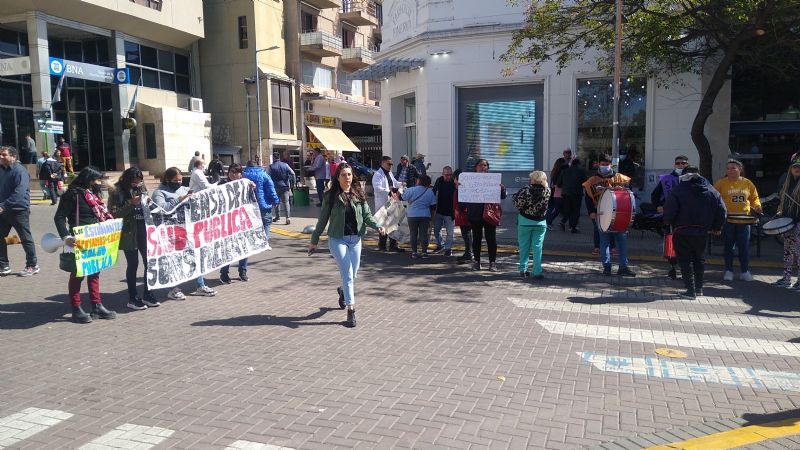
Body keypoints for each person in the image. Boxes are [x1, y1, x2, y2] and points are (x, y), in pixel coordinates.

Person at [309, 163, 386, 328]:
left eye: (349, 174)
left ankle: (343, 290)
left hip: (355, 239)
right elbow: (322, 220)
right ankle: (351, 311)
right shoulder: (331, 196)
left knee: (353, 274)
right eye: (343, 175)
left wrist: (377, 226)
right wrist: (314, 240)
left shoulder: (358, 193)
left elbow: (367, 215)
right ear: (338, 177)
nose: (347, 177)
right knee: (348, 273)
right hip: (338, 239)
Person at [53, 167, 116, 323]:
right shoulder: (72, 194)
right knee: (78, 274)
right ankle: (76, 309)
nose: (99, 183)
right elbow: (59, 217)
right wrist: (66, 237)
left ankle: (96, 306)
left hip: (95, 238)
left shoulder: (92, 193)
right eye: (96, 180)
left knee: (94, 272)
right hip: (78, 240)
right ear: (88, 179)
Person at [151, 167, 217, 299]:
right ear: (167, 179)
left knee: (195, 256)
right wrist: (179, 200)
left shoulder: (184, 189)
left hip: (187, 231)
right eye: (176, 180)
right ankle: (173, 289)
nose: (178, 183)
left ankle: (200, 285)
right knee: (173, 260)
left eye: (180, 180)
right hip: (170, 233)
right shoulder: (159, 193)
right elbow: (161, 208)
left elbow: (202, 195)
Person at [663, 166, 726, 299]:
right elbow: (722, 210)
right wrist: (717, 227)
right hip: (702, 231)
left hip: (682, 230)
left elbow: (670, 210)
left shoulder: (678, 190)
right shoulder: (711, 190)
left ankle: (690, 290)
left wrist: (668, 223)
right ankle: (699, 288)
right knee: (699, 259)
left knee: (685, 261)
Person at [109, 167, 160, 310]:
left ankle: (148, 293)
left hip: (144, 229)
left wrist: (148, 202)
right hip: (129, 232)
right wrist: (131, 203)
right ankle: (133, 297)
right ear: (127, 180)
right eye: (134, 182)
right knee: (133, 264)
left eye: (139, 181)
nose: (137, 184)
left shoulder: (141, 187)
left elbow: (147, 205)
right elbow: (114, 213)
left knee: (149, 262)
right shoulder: (117, 191)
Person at [583, 154, 636, 276]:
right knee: (604, 241)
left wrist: (622, 189)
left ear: (611, 165)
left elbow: (629, 194)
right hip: (601, 214)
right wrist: (591, 212)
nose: (605, 166)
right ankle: (606, 267)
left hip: (620, 214)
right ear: (598, 164)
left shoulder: (620, 178)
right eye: (603, 164)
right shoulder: (592, 181)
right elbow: (588, 198)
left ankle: (623, 267)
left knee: (622, 241)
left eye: (607, 164)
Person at [714, 159, 762, 281]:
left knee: (744, 247)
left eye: (733, 168)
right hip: (728, 221)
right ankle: (728, 271)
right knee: (728, 246)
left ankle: (745, 271)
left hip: (744, 221)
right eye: (728, 168)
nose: (730, 170)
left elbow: (754, 198)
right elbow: (713, 198)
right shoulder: (721, 183)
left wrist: (757, 206)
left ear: (740, 169)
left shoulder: (747, 183)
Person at [462, 159, 506, 272]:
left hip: (490, 214)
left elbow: (502, 196)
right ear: (475, 167)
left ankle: (492, 263)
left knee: (491, 239)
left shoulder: (493, 180)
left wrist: (502, 189)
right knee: (476, 238)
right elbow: (463, 198)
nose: (483, 167)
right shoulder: (469, 180)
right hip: (475, 213)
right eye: (480, 165)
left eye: (485, 165)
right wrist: (460, 188)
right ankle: (477, 262)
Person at [0, 146, 38, 276]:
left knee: (25, 238)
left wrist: (3, 205)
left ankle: (32, 265)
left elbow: (19, 193)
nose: (1, 157)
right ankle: (4, 266)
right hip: (4, 211)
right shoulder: (2, 170)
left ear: (13, 157)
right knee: (0, 237)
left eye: (4, 154)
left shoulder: (20, 171)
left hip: (18, 211)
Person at [651, 155, 690, 279]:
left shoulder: (692, 179)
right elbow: (655, 195)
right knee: (671, 242)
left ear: (687, 165)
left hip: (687, 216)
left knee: (686, 242)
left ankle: (686, 269)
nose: (680, 165)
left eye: (683, 163)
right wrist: (658, 205)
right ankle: (673, 267)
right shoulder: (666, 179)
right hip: (671, 216)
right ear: (674, 165)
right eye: (678, 163)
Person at [513, 170, 551, 279]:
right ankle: (537, 271)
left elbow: (518, 204)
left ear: (533, 179)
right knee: (537, 248)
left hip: (525, 221)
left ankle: (523, 270)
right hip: (540, 222)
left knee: (524, 247)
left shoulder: (526, 190)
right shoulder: (547, 190)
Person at [218, 164, 251, 283]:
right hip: (227, 221)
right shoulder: (222, 184)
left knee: (244, 246)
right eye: (231, 172)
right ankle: (224, 273)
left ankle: (243, 271)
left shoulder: (245, 184)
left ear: (241, 174)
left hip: (241, 220)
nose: (233, 174)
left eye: (236, 172)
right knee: (227, 247)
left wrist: (252, 187)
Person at [774, 155, 800, 289]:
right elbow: (783, 203)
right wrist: (781, 214)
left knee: (798, 252)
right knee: (788, 251)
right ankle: (786, 278)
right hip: (788, 222)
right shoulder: (787, 184)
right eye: (795, 166)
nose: (797, 169)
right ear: (790, 168)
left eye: (799, 167)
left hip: (798, 223)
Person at [243, 160, 279, 250]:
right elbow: (271, 190)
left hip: (248, 205)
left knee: (251, 224)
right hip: (263, 204)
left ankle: (252, 243)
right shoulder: (264, 175)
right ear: (258, 165)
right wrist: (276, 201)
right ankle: (264, 242)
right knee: (266, 222)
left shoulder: (243, 175)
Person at [372, 155, 404, 252]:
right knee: (383, 224)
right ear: (383, 163)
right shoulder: (377, 174)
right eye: (389, 164)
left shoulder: (389, 173)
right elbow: (377, 188)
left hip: (392, 202)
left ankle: (393, 245)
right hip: (382, 202)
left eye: (391, 164)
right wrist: (388, 192)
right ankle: (382, 245)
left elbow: (395, 183)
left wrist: (402, 184)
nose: (390, 166)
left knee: (393, 223)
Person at [402, 174, 437, 258]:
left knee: (413, 234)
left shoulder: (411, 190)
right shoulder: (430, 192)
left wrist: (401, 189)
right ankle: (424, 252)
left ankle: (414, 252)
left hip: (412, 215)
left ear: (419, 181)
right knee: (423, 234)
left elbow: (402, 198)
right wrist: (432, 217)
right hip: (425, 215)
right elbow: (433, 206)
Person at [432, 166, 456, 256]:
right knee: (436, 230)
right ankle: (440, 245)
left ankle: (448, 249)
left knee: (450, 232)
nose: (448, 177)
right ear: (442, 174)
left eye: (450, 175)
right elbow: (434, 191)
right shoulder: (439, 180)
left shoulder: (454, 182)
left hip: (450, 212)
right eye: (446, 175)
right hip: (439, 210)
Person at [560, 158, 586, 233]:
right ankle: (573, 227)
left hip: (566, 193)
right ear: (578, 164)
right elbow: (585, 182)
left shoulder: (565, 171)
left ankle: (563, 221)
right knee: (576, 210)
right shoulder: (581, 171)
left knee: (568, 209)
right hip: (577, 193)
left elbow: (559, 182)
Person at [453, 169, 472, 263]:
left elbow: (462, 203)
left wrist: (458, 209)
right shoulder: (459, 188)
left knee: (466, 235)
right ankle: (468, 253)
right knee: (467, 235)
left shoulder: (463, 189)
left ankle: (468, 254)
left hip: (464, 215)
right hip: (463, 215)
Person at [269, 153, 294, 225]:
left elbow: (267, 175)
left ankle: (278, 217)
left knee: (276, 202)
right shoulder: (285, 165)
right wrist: (293, 184)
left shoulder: (271, 167)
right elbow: (293, 173)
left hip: (275, 186)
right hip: (285, 186)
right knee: (286, 202)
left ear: (273, 158)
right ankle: (288, 218)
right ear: (279, 157)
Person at [545, 157, 568, 230]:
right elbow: (560, 183)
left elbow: (552, 183)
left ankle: (548, 222)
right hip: (560, 191)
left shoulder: (554, 171)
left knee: (552, 207)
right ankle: (548, 222)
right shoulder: (562, 171)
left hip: (553, 191)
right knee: (557, 209)